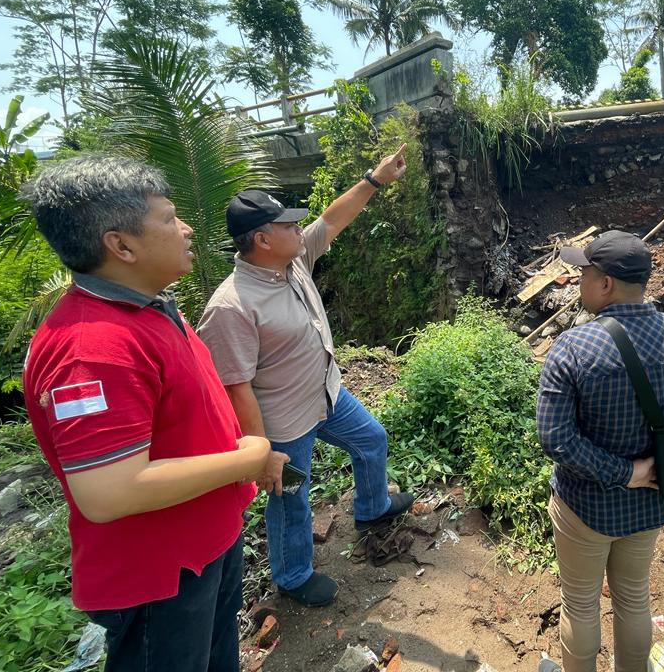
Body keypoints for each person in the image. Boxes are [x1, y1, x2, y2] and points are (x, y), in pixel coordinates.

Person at [21, 156, 275, 672]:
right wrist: (249, 459)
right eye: (168, 217)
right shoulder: (92, 348)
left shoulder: (149, 306)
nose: (184, 228)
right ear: (121, 244)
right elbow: (111, 491)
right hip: (161, 575)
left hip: (204, 545)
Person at [197, 144, 413, 608]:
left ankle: (372, 508)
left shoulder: (292, 262)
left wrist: (375, 180)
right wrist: (262, 452)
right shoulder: (232, 306)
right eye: (288, 224)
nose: (300, 228)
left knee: (372, 439)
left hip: (326, 395)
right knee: (291, 498)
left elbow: (334, 220)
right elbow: (235, 387)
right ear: (261, 239)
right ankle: (293, 575)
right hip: (283, 425)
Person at [536, 230, 664, 672]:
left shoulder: (572, 348)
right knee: (634, 598)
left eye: (583, 275)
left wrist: (621, 471)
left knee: (580, 604)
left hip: (585, 505)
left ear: (605, 283)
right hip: (652, 499)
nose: (579, 283)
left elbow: (556, 440)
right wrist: (638, 474)